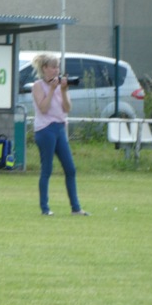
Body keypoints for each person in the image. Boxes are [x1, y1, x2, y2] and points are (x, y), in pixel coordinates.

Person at [31, 53, 88, 216]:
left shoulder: (61, 85)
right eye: (53, 67)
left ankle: (76, 208)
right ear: (45, 69)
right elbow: (43, 108)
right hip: (45, 129)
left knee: (70, 169)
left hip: (60, 128)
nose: (56, 70)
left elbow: (67, 108)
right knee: (47, 169)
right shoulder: (38, 86)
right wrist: (52, 89)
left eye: (58, 67)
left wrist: (63, 90)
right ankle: (45, 208)